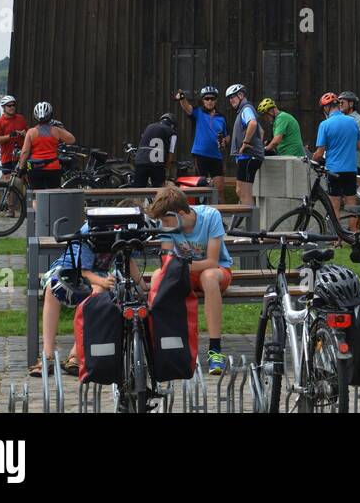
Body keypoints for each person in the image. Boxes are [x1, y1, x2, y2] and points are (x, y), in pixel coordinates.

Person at [30, 219, 145, 378]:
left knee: (98, 294)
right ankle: (47, 354)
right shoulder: (92, 230)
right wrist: (103, 281)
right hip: (70, 269)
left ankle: (76, 354)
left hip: (97, 274)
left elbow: (129, 260)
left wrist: (144, 287)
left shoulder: (126, 232)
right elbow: (82, 271)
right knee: (52, 288)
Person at [148, 183, 233, 377]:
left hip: (217, 271)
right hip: (184, 273)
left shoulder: (211, 216)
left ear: (180, 213)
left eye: (166, 220)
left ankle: (215, 350)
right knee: (156, 277)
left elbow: (212, 261)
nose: (164, 225)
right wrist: (173, 267)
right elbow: (166, 260)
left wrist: (178, 266)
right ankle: (160, 346)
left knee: (209, 276)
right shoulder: (168, 224)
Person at [312, 92, 359, 229]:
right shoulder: (352, 121)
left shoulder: (325, 125)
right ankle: (354, 234)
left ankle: (336, 239)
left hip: (334, 171)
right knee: (351, 204)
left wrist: (312, 158)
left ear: (326, 108)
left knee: (334, 206)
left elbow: (320, 153)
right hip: (351, 168)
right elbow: (358, 145)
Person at [175, 86, 228, 201]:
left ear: (216, 100)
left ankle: (220, 216)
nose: (209, 101)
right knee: (201, 187)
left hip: (217, 156)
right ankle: (202, 215)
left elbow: (227, 136)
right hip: (200, 155)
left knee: (219, 188)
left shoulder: (222, 117)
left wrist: (224, 141)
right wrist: (182, 98)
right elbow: (187, 108)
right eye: (207, 99)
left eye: (212, 99)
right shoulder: (198, 112)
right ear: (203, 100)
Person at [18, 102, 76, 200]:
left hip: (35, 169)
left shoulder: (31, 132)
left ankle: (38, 215)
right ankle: (54, 215)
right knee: (54, 197)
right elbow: (72, 140)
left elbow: (25, 152)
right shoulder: (56, 131)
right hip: (53, 168)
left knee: (36, 197)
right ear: (50, 115)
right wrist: (61, 127)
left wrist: (21, 168)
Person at [225, 84, 264, 208]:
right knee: (240, 191)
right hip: (246, 157)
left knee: (244, 192)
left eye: (233, 97)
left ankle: (253, 226)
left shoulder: (246, 109)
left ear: (241, 95)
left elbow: (252, 123)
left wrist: (246, 143)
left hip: (249, 156)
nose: (231, 100)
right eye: (229, 98)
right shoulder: (244, 110)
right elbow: (261, 131)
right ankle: (251, 223)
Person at [0, 94, 28, 214]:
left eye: (13, 105)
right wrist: (9, 136)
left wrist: (24, 133)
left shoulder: (21, 118)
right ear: (4, 107)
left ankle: (25, 207)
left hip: (21, 155)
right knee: (9, 182)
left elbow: (28, 133)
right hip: (7, 156)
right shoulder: (0, 122)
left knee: (24, 180)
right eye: (9, 106)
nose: (12, 107)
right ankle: (11, 209)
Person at [134, 111, 178, 188]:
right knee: (158, 191)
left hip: (140, 160)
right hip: (157, 162)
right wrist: (167, 167)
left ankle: (137, 200)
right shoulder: (172, 132)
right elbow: (171, 152)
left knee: (138, 190)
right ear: (172, 125)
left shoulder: (149, 126)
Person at [337, 91, 360, 183]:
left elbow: (358, 143)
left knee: (356, 193)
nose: (340, 105)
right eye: (339, 103)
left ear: (351, 104)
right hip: (343, 163)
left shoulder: (358, 120)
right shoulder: (340, 118)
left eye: (342, 103)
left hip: (355, 163)